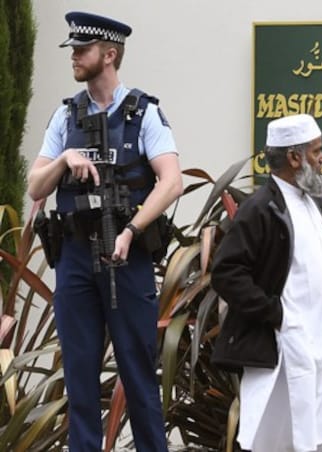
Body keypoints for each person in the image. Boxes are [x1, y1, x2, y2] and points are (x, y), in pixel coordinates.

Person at [26, 11, 183, 452]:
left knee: (137, 374)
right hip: (75, 257)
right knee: (78, 376)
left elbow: (172, 181)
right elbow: (35, 185)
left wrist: (132, 229)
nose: (74, 57)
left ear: (109, 55)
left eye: (82, 50)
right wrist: (63, 160)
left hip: (126, 257)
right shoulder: (66, 116)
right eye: (73, 50)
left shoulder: (144, 112)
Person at [210, 114, 322, 452]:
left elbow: (319, 277)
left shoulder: (312, 205)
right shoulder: (261, 209)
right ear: (295, 157)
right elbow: (226, 271)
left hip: (318, 349)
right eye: (317, 151)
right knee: (283, 444)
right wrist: (275, 314)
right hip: (284, 349)